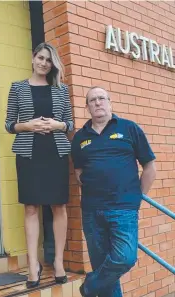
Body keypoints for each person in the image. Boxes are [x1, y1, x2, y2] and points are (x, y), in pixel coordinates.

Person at [71, 87, 156, 297]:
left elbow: (149, 168)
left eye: (101, 98)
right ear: (87, 107)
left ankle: (89, 286)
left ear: (110, 102)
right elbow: (78, 173)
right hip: (91, 211)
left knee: (125, 258)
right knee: (106, 274)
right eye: (92, 100)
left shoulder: (129, 128)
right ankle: (95, 286)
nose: (97, 103)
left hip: (123, 209)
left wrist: (136, 199)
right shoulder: (80, 137)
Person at [5, 42, 74, 288]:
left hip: (55, 152)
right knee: (31, 208)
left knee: (58, 206)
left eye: (49, 61)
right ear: (33, 58)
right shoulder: (18, 88)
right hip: (29, 153)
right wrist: (28, 125)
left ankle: (57, 262)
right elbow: (9, 124)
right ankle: (33, 265)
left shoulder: (61, 90)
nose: (44, 63)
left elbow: (69, 123)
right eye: (41, 58)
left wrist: (58, 125)